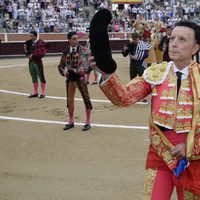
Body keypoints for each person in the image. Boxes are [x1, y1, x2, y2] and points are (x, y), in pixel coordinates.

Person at [90, 20, 200, 199]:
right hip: (160, 155)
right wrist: (106, 73)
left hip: (193, 161)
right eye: (172, 38)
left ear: (195, 48)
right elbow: (124, 97)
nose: (173, 43)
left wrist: (191, 148)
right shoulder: (156, 73)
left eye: (182, 39)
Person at [58, 31, 92, 131]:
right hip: (70, 80)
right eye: (74, 38)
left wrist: (78, 71)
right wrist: (63, 73)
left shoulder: (84, 50)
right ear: (69, 40)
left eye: (77, 38)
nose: (76, 40)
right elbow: (60, 66)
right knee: (70, 101)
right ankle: (71, 121)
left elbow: (89, 66)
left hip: (80, 79)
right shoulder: (66, 51)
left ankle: (88, 122)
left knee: (86, 100)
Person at [25, 31, 48, 98]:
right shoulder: (32, 43)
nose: (31, 37)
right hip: (31, 62)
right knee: (34, 77)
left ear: (35, 36)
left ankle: (43, 92)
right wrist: (26, 51)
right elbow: (28, 52)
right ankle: (35, 92)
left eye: (32, 36)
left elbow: (43, 53)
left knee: (41, 77)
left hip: (37, 62)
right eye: (30, 36)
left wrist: (33, 55)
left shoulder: (41, 42)